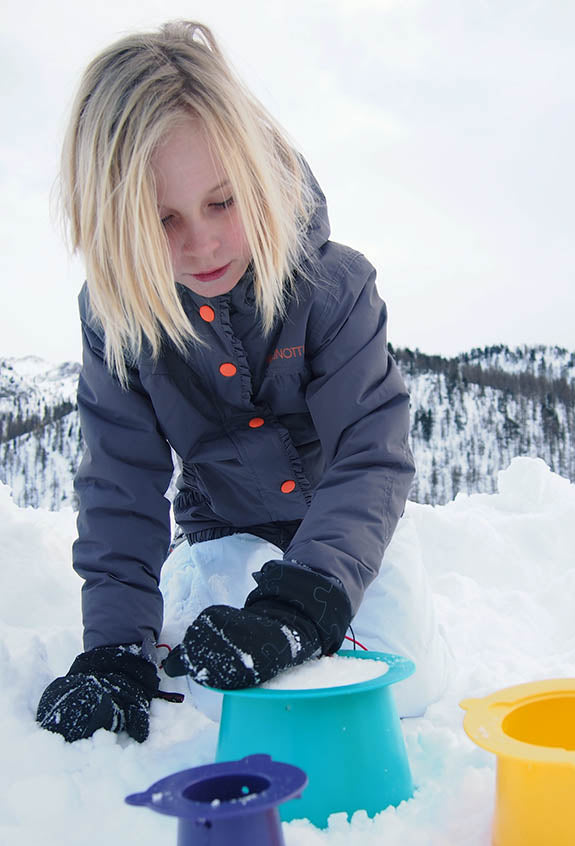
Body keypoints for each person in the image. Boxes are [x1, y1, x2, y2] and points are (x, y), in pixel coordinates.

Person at [36, 20, 448, 744]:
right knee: (226, 695)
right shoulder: (119, 319)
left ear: (256, 175)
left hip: (347, 532)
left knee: (401, 687)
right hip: (224, 531)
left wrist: (304, 603)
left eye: (221, 203)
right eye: (162, 219)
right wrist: (115, 650)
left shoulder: (333, 287)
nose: (202, 244)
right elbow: (119, 488)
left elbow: (369, 452)